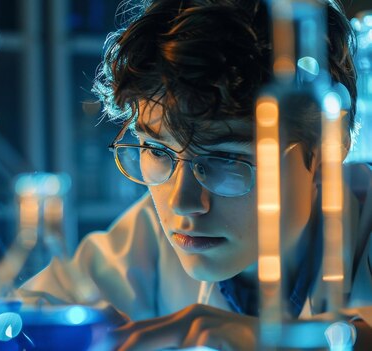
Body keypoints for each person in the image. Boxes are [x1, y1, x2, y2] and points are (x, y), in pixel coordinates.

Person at [20, 0, 372, 349]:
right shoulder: (150, 236)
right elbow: (14, 317)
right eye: (157, 151)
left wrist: (288, 341)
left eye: (225, 159)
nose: (183, 203)